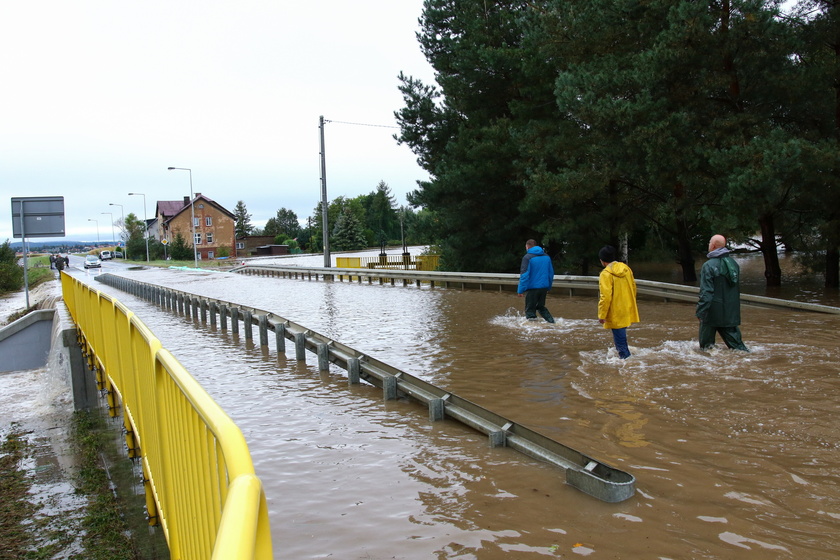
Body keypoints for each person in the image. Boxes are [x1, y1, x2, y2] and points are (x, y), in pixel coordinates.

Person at [696, 234, 749, 351]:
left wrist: (700, 311)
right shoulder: (734, 264)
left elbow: (706, 292)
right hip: (730, 313)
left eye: (710, 242)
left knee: (706, 349)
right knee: (739, 348)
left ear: (713, 245)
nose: (709, 244)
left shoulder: (708, 266)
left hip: (711, 314)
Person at [597, 245, 640, 359]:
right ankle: (625, 358)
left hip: (615, 311)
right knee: (621, 336)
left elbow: (605, 297)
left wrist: (602, 315)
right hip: (627, 307)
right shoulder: (626, 268)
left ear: (602, 260)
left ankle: (626, 363)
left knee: (620, 343)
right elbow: (633, 287)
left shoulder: (606, 274)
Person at [517, 239, 555, 323]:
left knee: (530, 310)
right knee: (541, 307)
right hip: (544, 287)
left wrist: (520, 290)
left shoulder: (527, 257)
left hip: (532, 288)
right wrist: (548, 287)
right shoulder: (546, 257)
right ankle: (552, 323)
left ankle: (533, 331)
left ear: (527, 247)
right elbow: (551, 273)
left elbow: (524, 275)